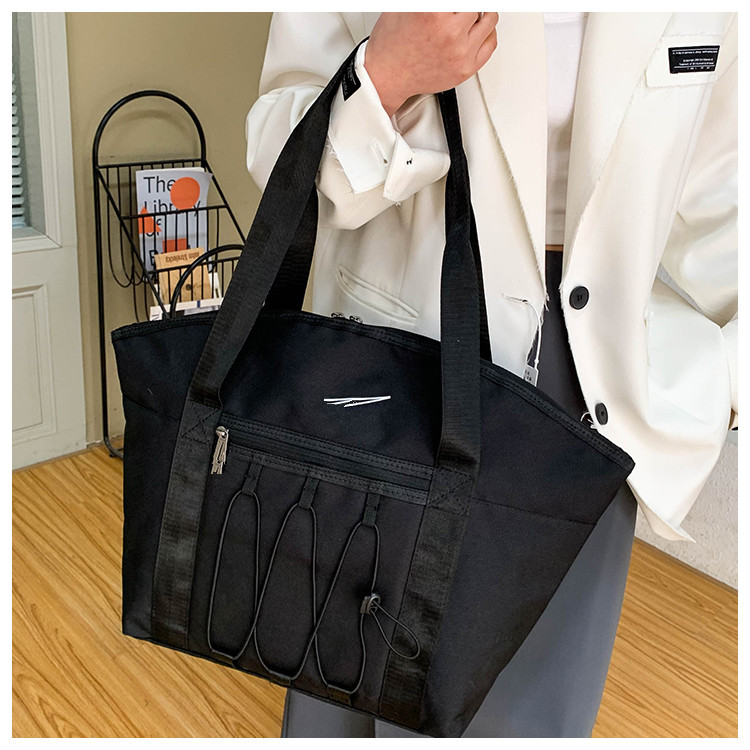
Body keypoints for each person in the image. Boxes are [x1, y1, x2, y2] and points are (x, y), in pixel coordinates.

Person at [245, 12, 738, 737]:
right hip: (398, 362)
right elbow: (276, 154)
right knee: (356, 676)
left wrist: (731, 373)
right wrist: (387, 76)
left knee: (535, 706)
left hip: (592, 387)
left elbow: (723, 189)